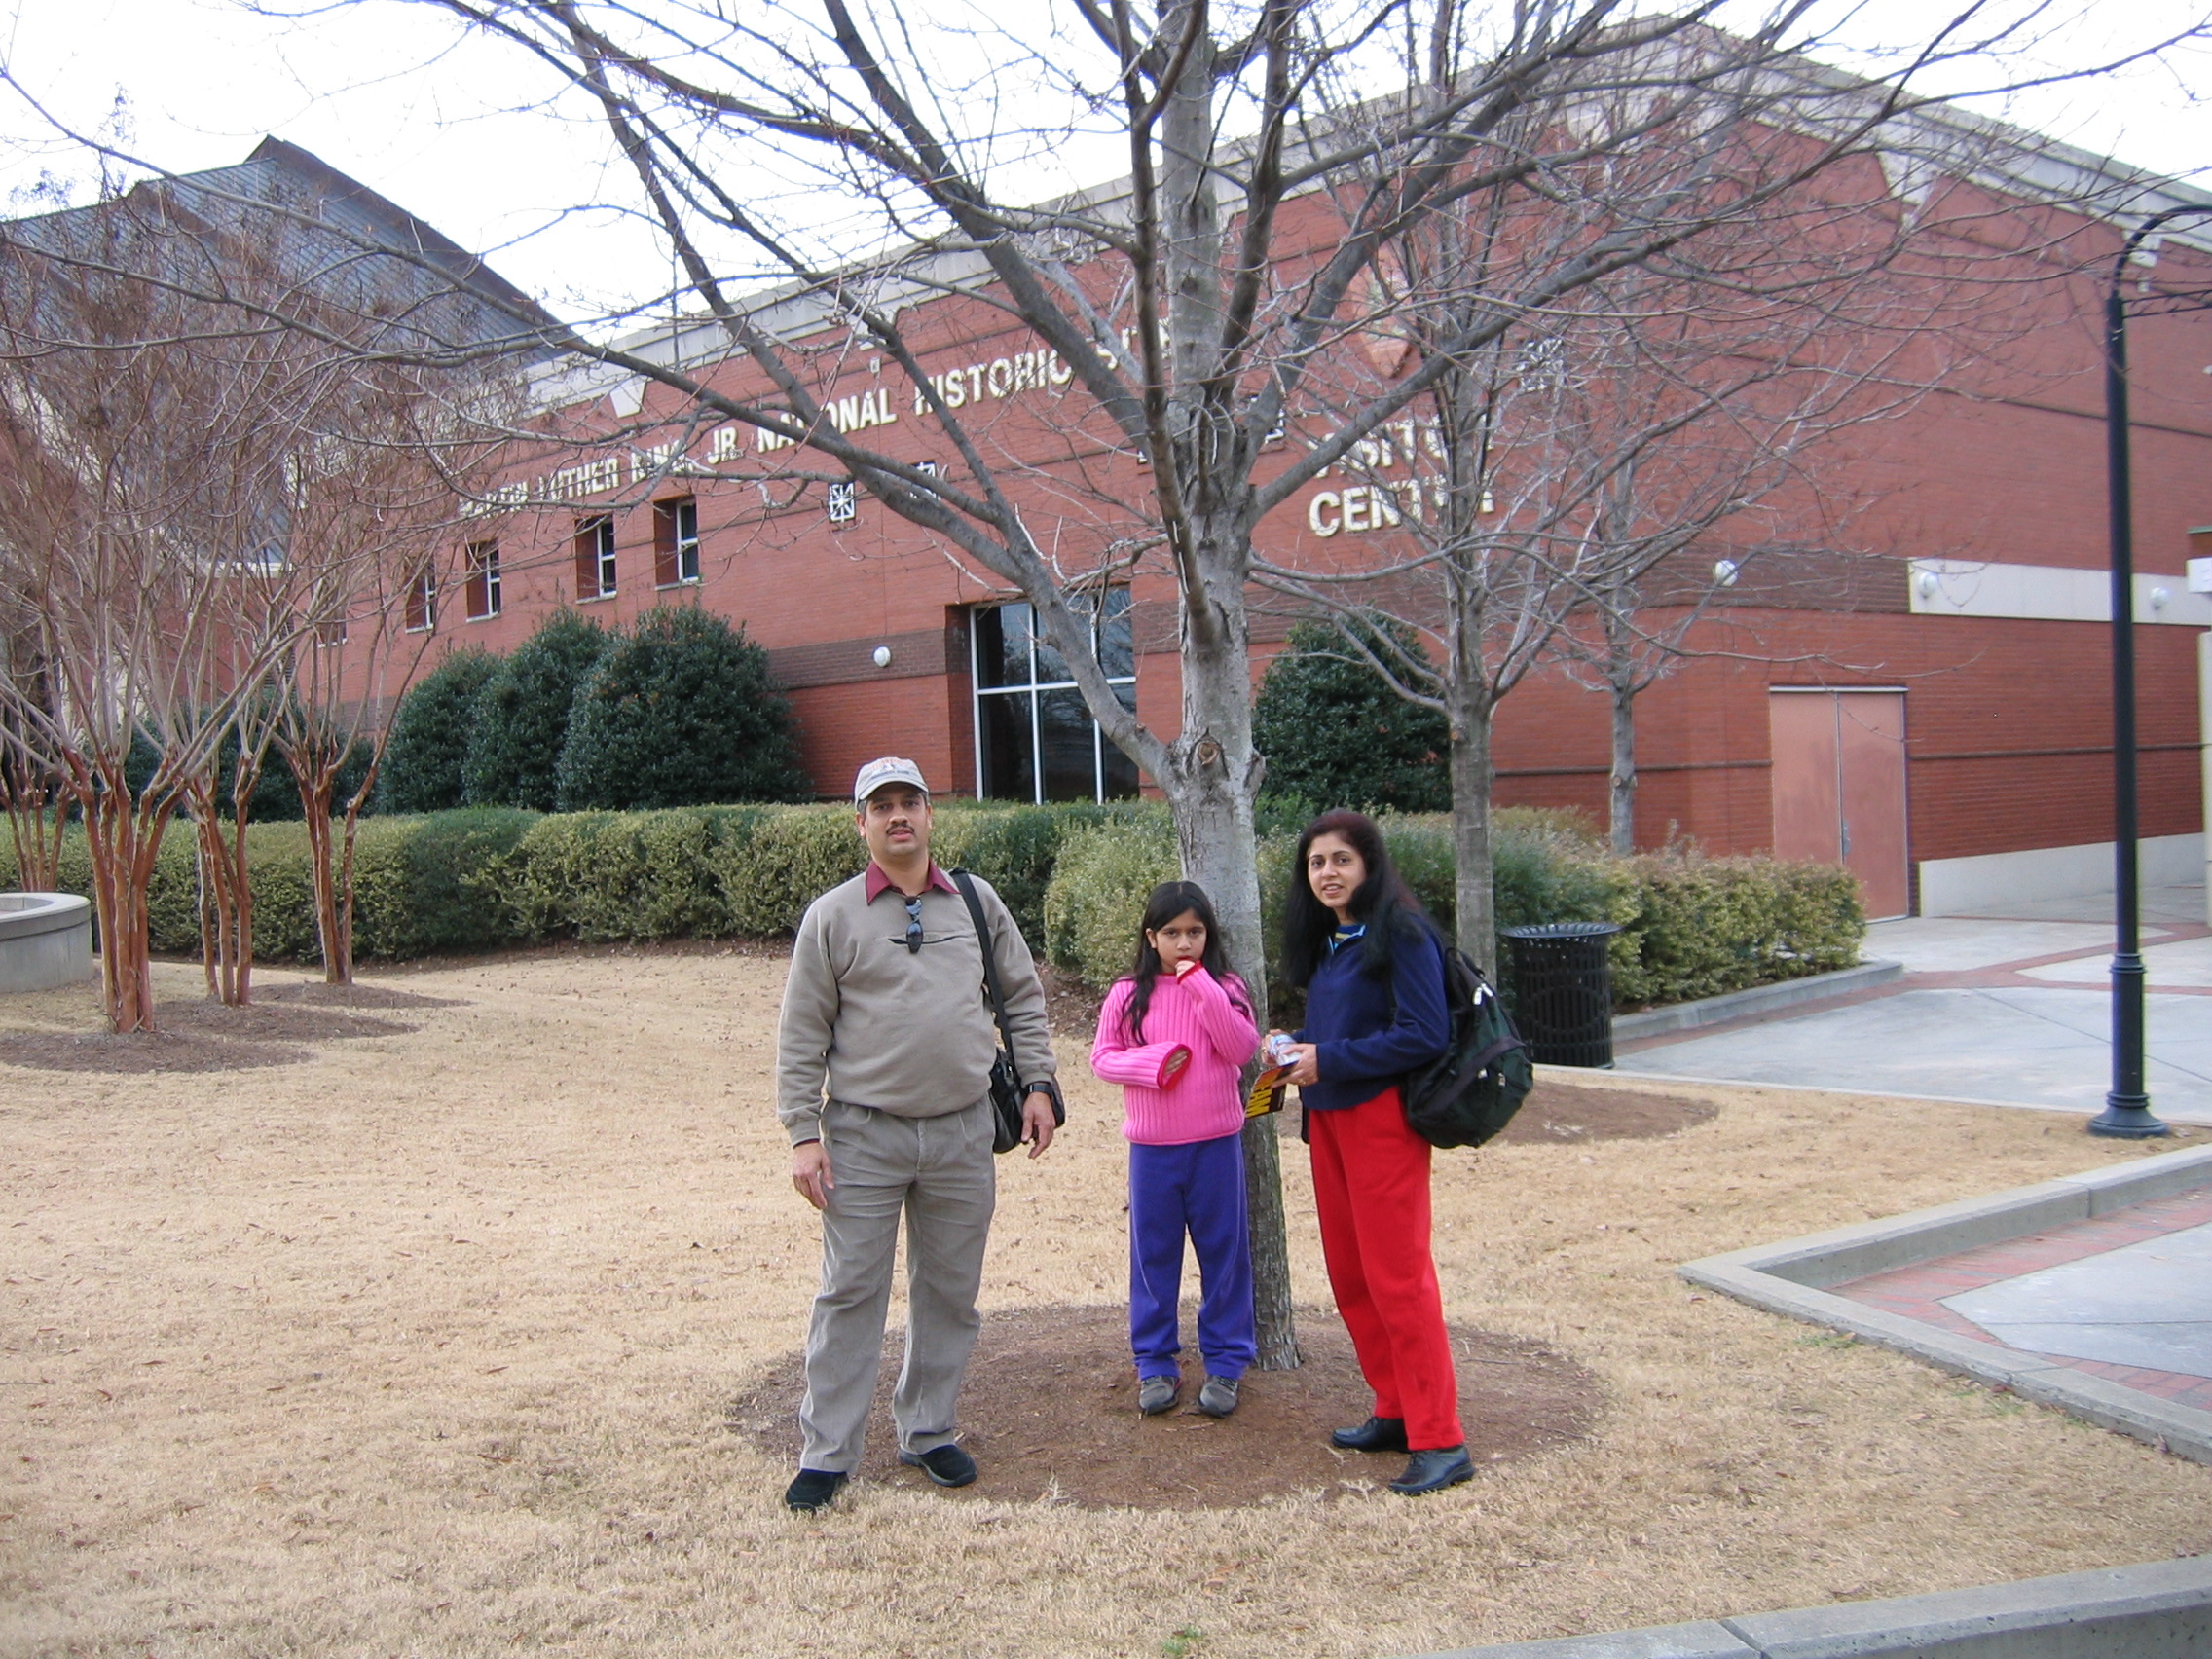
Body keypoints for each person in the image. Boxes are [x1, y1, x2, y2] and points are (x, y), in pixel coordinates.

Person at [774, 757, 1060, 1513]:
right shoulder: (832, 916)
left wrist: (1038, 1085)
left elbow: (1021, 998)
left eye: (910, 802)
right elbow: (802, 1033)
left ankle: (928, 1430)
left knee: (950, 1292)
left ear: (931, 815)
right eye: (882, 806)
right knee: (849, 1292)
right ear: (860, 823)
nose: (898, 816)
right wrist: (803, 1133)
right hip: (863, 1137)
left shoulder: (976, 902)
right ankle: (828, 1453)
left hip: (964, 1130)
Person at [1268, 810, 1472, 1496]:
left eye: (1341, 860)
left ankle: (1440, 1437)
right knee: (1352, 1276)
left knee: (1398, 1278)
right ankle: (1395, 1409)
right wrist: (1296, 1047)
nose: (1327, 873)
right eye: (1316, 862)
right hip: (1328, 1122)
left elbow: (1424, 1034)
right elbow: (1349, 1027)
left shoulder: (1402, 931)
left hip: (1381, 1124)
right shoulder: (1335, 939)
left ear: (1369, 865)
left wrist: (1328, 1059)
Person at [1088, 881, 1261, 1419]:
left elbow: (1242, 1047)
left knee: (1225, 1256)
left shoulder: (1227, 986)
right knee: (1153, 1258)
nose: (1184, 943)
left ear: (1209, 935)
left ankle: (1227, 1362)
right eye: (1171, 933)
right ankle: (1155, 1362)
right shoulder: (1127, 993)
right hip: (1153, 1151)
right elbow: (1103, 1058)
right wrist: (1152, 1063)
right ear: (1151, 937)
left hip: (1216, 1146)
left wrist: (1202, 987)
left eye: (1195, 932)